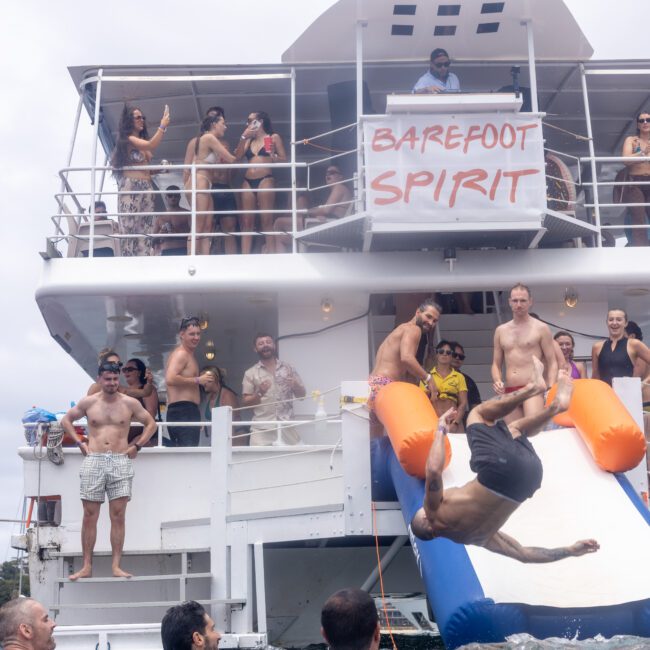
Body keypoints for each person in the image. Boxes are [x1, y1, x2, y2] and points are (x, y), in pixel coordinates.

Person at [411, 359, 600, 562]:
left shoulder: (478, 539)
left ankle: (555, 407)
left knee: (514, 430)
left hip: (529, 478)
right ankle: (533, 388)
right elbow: (432, 470)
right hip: (497, 472)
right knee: (478, 414)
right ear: (426, 521)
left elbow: (524, 555)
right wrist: (441, 429)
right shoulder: (433, 513)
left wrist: (570, 550)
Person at [61, 361, 157, 580]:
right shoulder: (89, 402)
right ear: (100, 379)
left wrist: (137, 446)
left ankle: (116, 566)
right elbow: (66, 420)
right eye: (108, 379)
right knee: (89, 515)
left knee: (118, 515)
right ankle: (87, 566)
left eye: (115, 379)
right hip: (94, 458)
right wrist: (79, 442)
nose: (112, 383)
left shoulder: (129, 403)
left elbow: (151, 424)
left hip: (120, 459)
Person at [491, 284, 558, 422]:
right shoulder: (501, 330)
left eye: (523, 300)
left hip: (532, 387)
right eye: (515, 301)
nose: (519, 305)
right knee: (513, 434)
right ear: (509, 302)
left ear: (530, 302)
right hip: (510, 389)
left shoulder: (541, 328)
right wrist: (497, 380)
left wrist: (550, 387)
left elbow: (552, 362)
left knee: (532, 432)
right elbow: (496, 364)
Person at [111, 103, 171, 256]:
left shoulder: (140, 142)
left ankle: (143, 259)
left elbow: (145, 169)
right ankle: (128, 261)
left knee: (145, 227)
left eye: (142, 117)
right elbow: (152, 144)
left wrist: (161, 169)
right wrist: (162, 126)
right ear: (129, 121)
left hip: (146, 187)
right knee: (129, 226)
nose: (141, 120)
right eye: (137, 117)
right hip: (131, 187)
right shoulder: (129, 139)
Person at [235, 111, 287, 254]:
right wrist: (243, 136)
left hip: (265, 179)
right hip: (247, 180)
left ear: (260, 121)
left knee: (266, 221)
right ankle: (245, 256)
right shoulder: (248, 140)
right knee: (247, 222)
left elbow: (285, 159)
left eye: (250, 120)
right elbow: (237, 157)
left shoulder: (273, 137)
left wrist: (274, 156)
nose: (248, 123)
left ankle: (270, 254)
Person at [184, 115, 237, 255]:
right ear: (214, 124)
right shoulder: (209, 138)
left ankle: (204, 258)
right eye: (223, 123)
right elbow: (231, 159)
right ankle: (191, 259)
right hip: (199, 181)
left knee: (207, 225)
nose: (225, 127)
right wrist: (243, 139)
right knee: (198, 225)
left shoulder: (206, 139)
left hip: (204, 183)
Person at [241, 333, 306, 445]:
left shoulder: (289, 368)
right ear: (255, 349)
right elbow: (246, 404)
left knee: (295, 460)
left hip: (287, 426)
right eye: (261, 343)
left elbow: (302, 396)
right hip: (262, 429)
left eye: (268, 342)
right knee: (256, 461)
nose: (265, 345)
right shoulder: (250, 373)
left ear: (274, 346)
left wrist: (295, 385)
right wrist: (260, 393)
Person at [165, 317, 211, 446]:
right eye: (192, 334)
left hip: (188, 411)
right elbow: (170, 378)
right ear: (182, 334)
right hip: (182, 411)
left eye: (198, 334)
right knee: (187, 455)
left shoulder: (189, 355)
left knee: (187, 453)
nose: (196, 337)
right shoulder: (181, 354)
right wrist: (198, 380)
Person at [591, 308, 650, 385]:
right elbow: (595, 376)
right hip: (604, 395)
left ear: (625, 323)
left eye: (619, 320)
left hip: (626, 394)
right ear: (607, 322)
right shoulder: (597, 347)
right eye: (611, 319)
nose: (614, 323)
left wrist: (643, 383)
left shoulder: (634, 344)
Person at [618, 109, 650, 246]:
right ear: (637, 125)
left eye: (648, 120)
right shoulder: (631, 140)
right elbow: (625, 159)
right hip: (635, 182)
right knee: (638, 216)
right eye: (641, 120)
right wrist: (642, 154)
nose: (645, 122)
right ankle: (641, 248)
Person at [421, 340, 468, 432]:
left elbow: (463, 403)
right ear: (436, 355)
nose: (444, 354)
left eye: (448, 352)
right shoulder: (427, 376)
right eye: (441, 351)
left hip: (453, 422)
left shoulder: (459, 377)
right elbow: (422, 401)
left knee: (456, 446)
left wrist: (456, 423)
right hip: (433, 422)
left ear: (452, 356)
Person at [199, 366, 242, 446]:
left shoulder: (227, 395)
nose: (202, 383)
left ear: (214, 378)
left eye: (204, 379)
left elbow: (232, 422)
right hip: (218, 439)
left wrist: (228, 445)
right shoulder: (209, 397)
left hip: (231, 439)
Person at [87, 349, 154, 400]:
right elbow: (86, 410)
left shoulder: (120, 389)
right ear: (104, 366)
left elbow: (145, 392)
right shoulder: (95, 388)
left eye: (119, 364)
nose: (116, 367)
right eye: (112, 364)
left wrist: (149, 381)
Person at [122, 357, 160, 444]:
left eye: (130, 369)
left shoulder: (147, 389)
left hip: (141, 440)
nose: (126, 372)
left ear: (139, 372)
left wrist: (139, 440)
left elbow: (151, 415)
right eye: (124, 370)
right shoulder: (124, 391)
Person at [153, 186, 190, 256]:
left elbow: (196, 234)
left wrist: (178, 234)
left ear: (179, 197)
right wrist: (160, 234)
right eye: (170, 195)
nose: (173, 198)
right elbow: (153, 240)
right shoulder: (160, 217)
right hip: (165, 251)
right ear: (166, 197)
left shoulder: (187, 214)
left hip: (182, 250)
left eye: (175, 195)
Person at [450, 341, 482, 411]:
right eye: (454, 355)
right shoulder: (434, 377)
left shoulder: (468, 381)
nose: (457, 358)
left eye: (461, 357)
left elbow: (475, 406)